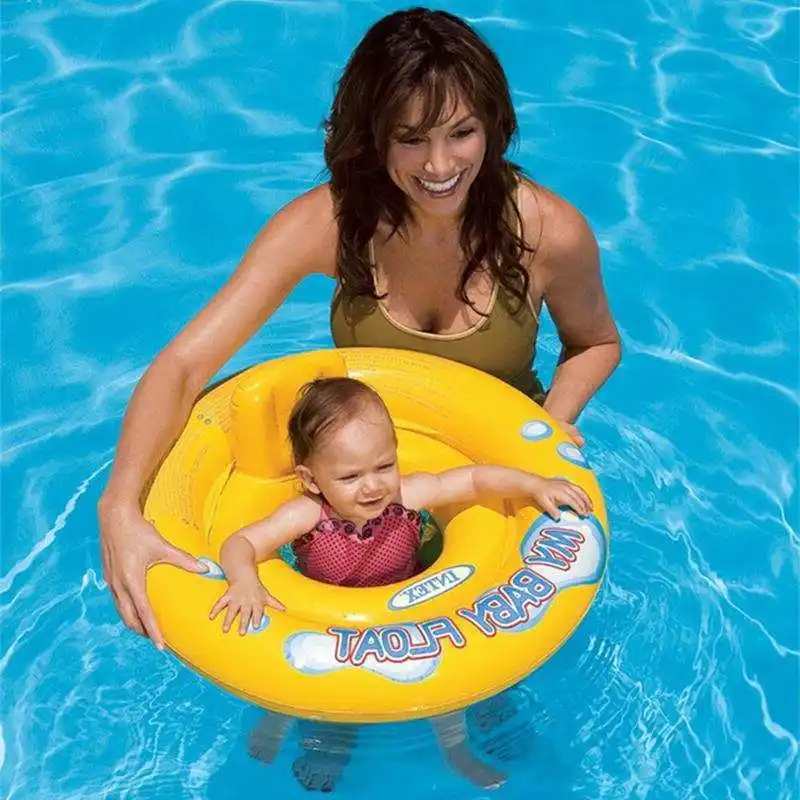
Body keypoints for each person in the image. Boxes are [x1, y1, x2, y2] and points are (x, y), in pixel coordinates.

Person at [99, 4, 620, 659]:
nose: (439, 165)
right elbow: (183, 366)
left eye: (462, 133)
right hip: (357, 480)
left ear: (493, 125)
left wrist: (552, 424)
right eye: (411, 138)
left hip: (489, 487)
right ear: (374, 136)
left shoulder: (546, 232)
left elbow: (595, 344)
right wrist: (119, 507)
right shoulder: (331, 224)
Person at [209, 376, 592, 790]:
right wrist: (244, 580)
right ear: (312, 479)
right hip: (328, 618)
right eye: (350, 476)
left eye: (384, 466)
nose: (373, 486)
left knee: (447, 682)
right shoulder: (306, 514)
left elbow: (472, 480)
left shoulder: (406, 496)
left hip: (410, 608)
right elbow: (241, 542)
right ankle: (289, 728)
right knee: (310, 684)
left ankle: (457, 754)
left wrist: (534, 483)